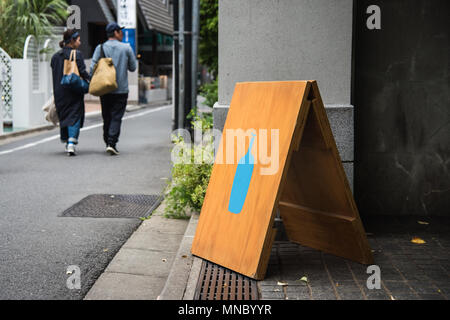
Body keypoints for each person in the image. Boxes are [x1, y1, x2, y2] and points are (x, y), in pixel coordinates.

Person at [90, 22, 137, 155]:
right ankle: (112, 142)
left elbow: (91, 67)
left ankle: (107, 141)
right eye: (120, 31)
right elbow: (133, 67)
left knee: (107, 116)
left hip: (105, 88)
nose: (122, 34)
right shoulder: (126, 48)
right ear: (116, 33)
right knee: (116, 116)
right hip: (121, 89)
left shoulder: (100, 48)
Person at [51, 29, 90, 156]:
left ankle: (66, 140)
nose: (80, 42)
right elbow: (82, 72)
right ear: (72, 41)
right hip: (73, 91)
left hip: (59, 92)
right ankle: (72, 143)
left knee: (64, 115)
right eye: (78, 40)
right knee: (74, 115)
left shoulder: (55, 56)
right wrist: (91, 79)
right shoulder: (76, 54)